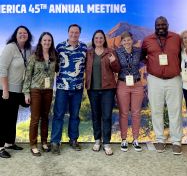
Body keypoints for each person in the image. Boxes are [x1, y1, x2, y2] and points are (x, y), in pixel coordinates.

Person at [142, 16, 183, 155]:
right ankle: (160, 139)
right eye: (158, 25)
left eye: (163, 24)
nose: (161, 27)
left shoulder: (177, 38)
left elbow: (182, 56)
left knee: (175, 111)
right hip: (155, 80)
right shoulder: (147, 40)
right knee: (156, 110)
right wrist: (151, 66)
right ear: (154, 26)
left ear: (167, 25)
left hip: (174, 79)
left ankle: (176, 141)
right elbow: (143, 56)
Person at [51, 24, 87, 154]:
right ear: (68, 33)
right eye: (72, 32)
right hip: (62, 87)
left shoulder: (84, 48)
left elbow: (87, 67)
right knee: (59, 114)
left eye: (76, 32)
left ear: (79, 34)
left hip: (77, 88)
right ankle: (55, 142)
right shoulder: (59, 47)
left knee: (75, 115)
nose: (74, 34)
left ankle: (73, 140)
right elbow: (53, 65)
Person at [22, 32, 58, 156]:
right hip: (35, 90)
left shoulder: (54, 56)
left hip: (48, 91)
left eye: (49, 40)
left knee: (45, 117)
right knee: (35, 118)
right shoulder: (34, 56)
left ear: (51, 42)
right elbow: (27, 76)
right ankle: (33, 144)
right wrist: (26, 93)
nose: (47, 42)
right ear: (40, 42)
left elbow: (57, 70)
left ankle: (44, 142)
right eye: (44, 40)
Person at [85, 29, 120, 156]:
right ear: (93, 40)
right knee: (95, 116)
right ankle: (97, 140)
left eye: (101, 38)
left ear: (104, 39)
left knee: (106, 117)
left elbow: (117, 69)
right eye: (96, 38)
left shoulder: (110, 52)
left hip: (108, 90)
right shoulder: (88, 54)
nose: (99, 40)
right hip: (93, 90)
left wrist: (113, 61)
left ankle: (106, 142)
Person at [0, 25, 33, 158]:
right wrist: (5, 90)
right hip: (6, 90)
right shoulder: (10, 48)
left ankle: (9, 143)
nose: (23, 34)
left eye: (25, 33)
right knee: (2, 119)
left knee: (12, 117)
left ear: (28, 35)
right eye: (20, 32)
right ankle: (0, 147)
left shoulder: (27, 50)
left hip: (18, 91)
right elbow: (2, 69)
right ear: (15, 34)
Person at [116, 31, 144, 152]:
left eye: (128, 39)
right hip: (123, 84)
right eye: (124, 40)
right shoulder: (117, 52)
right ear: (121, 42)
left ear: (132, 40)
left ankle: (136, 139)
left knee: (136, 112)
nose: (127, 42)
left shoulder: (138, 51)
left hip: (137, 84)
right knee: (123, 112)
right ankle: (123, 139)